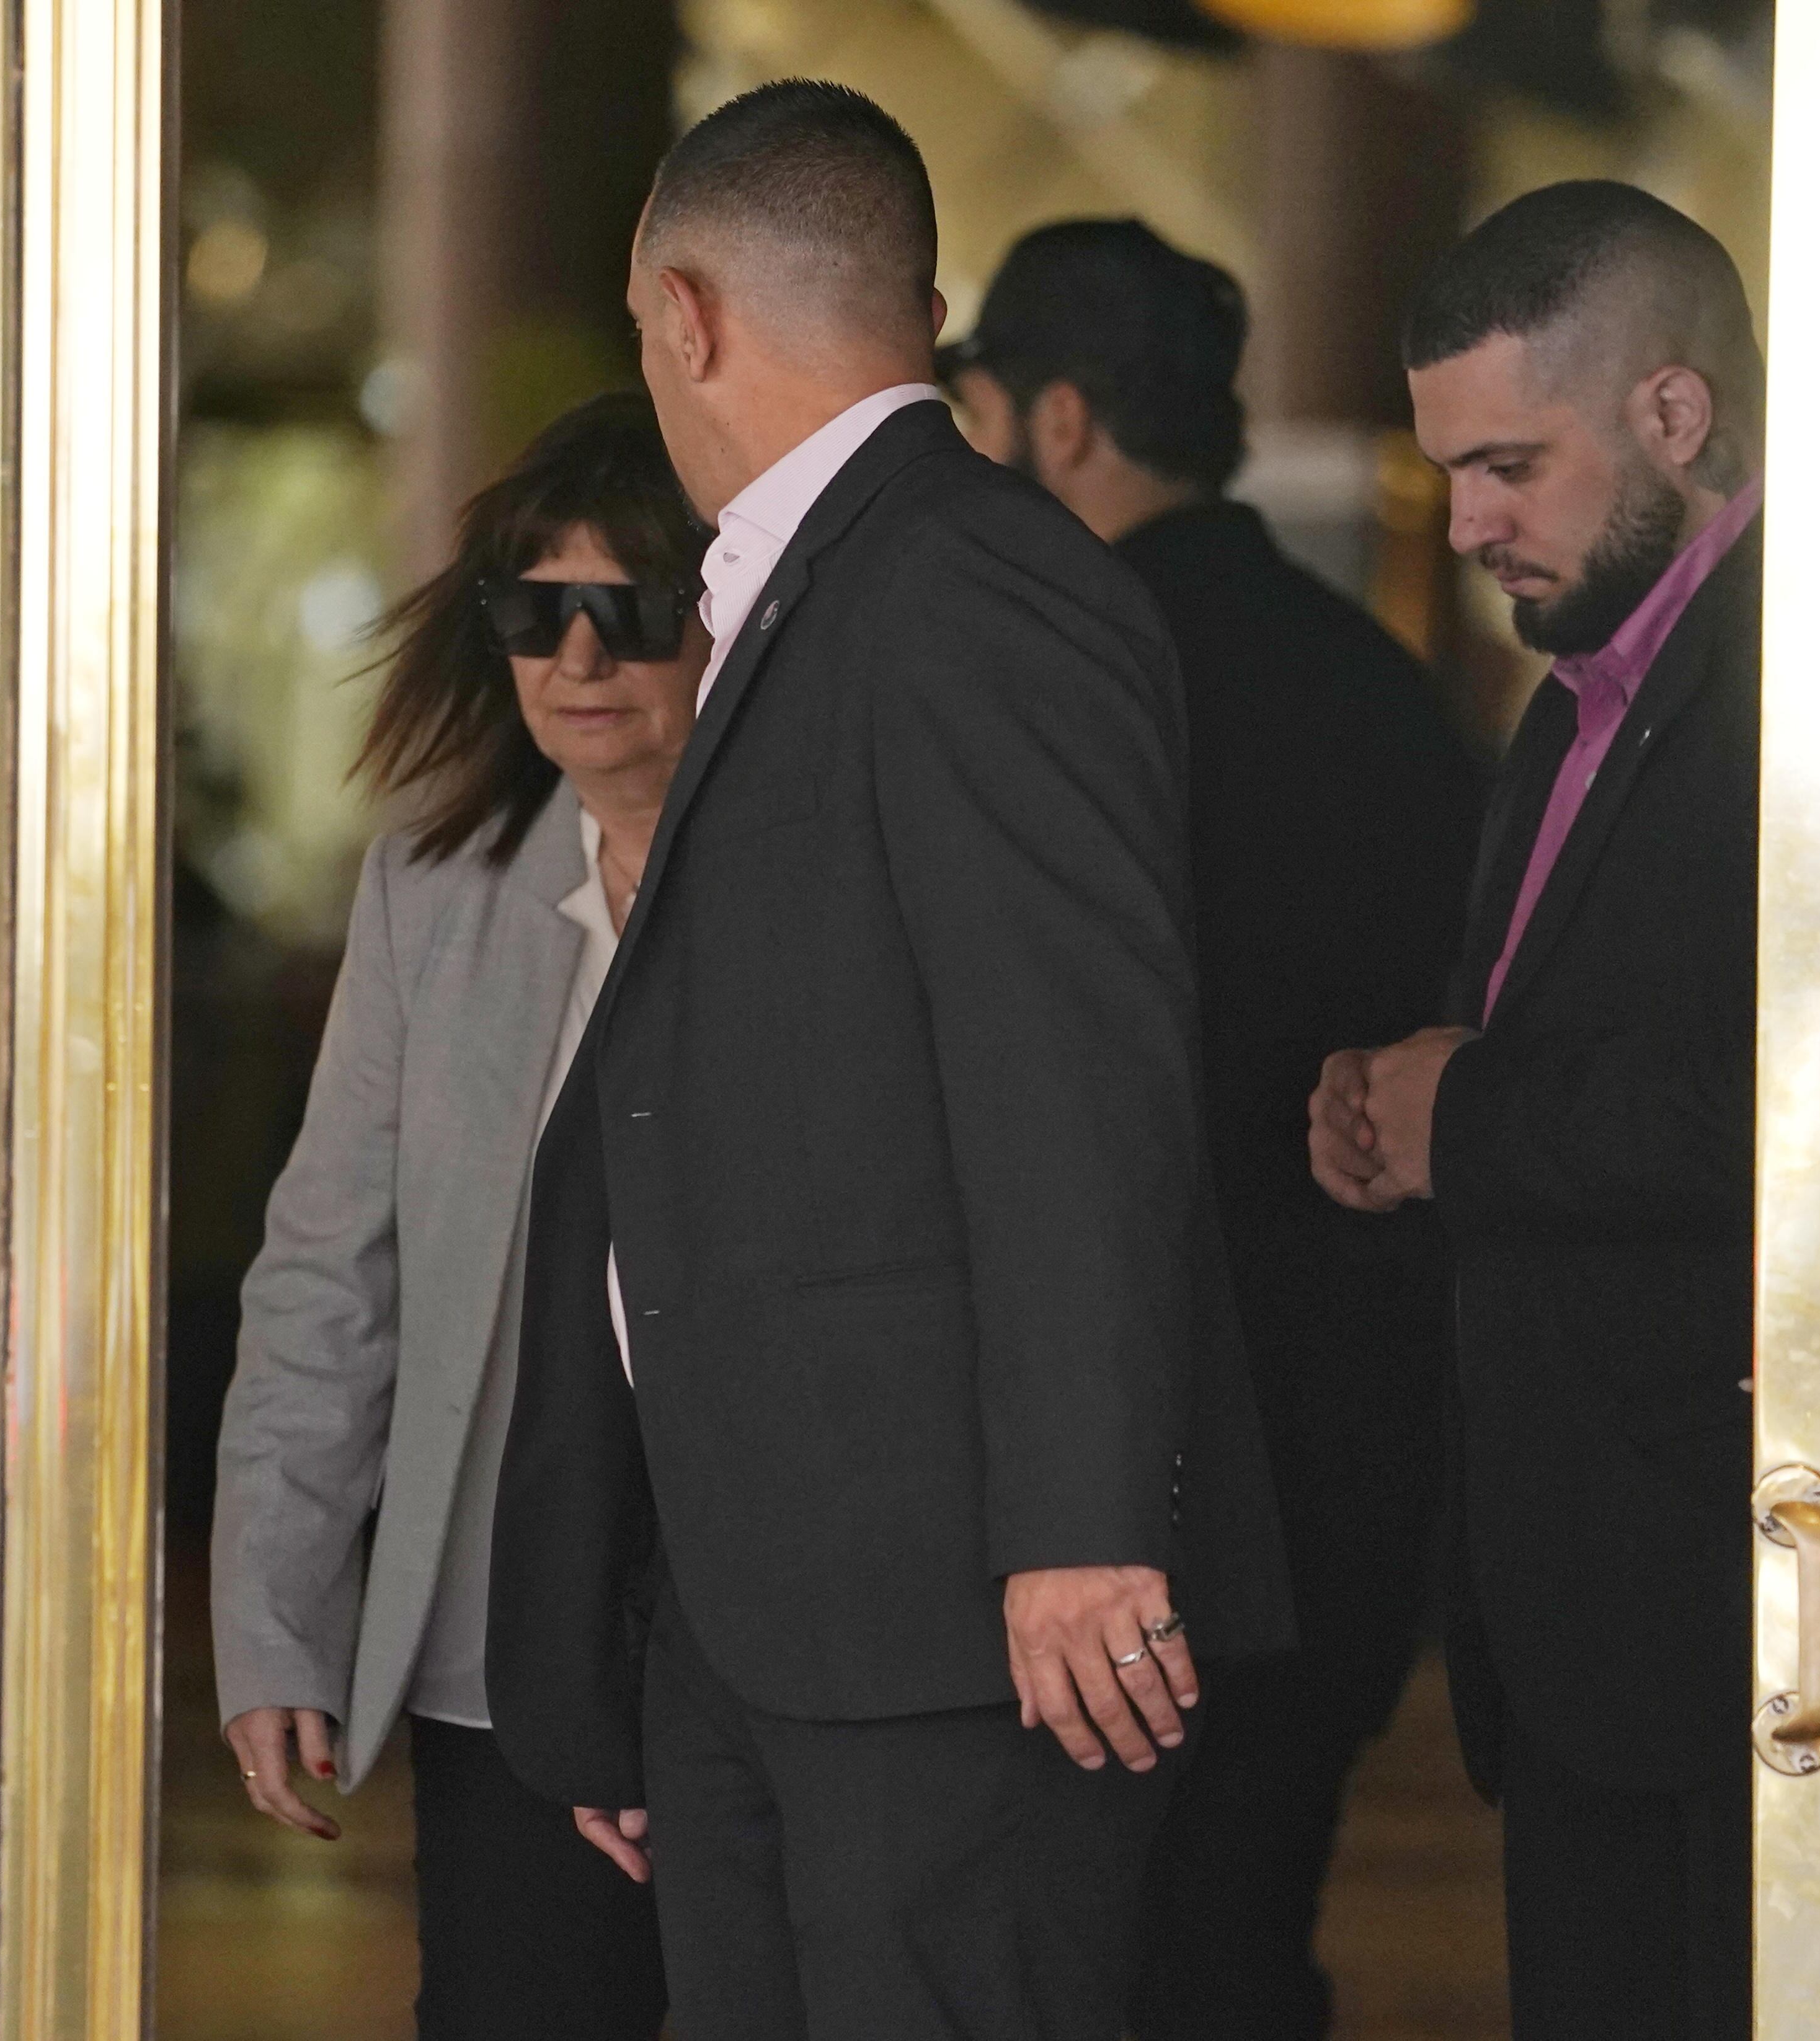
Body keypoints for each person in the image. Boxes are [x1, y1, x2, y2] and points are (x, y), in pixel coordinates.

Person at [484, 82, 1292, 2041]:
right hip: (769, 1596)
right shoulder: (800, 580)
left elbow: (1076, 1076)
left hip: (965, 1612)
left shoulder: (972, 579)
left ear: (679, 314)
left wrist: (1086, 1527)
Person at [944, 217, 1484, 2040]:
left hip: (1105, 1481)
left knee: (1072, 1963)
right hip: (1349, 1454)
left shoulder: (1043, 681)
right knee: (1245, 1946)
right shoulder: (1383, 687)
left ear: (1061, 420)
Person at [1307, 181, 1764, 2040]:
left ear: (1673, 415)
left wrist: (1470, 1114)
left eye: (1509, 462)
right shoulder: (1579, 686)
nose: (1468, 518)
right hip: (1580, 1619)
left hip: (1741, 1623)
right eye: (1449, 466)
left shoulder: (1818, 699)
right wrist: (1408, 1103)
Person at [210, 392, 701, 2040]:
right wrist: (277, 1619)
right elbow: (328, 1270)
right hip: (503, 1643)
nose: (575, 655)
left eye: (627, 610)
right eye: (529, 609)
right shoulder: (435, 888)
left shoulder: (821, 878)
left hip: (756, 1654)